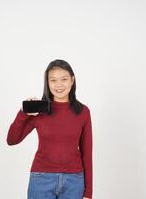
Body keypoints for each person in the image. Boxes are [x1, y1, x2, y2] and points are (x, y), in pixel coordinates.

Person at [6, 59, 93, 199]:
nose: (59, 85)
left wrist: (88, 193)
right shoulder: (39, 110)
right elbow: (11, 140)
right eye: (53, 80)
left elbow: (87, 153)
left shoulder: (83, 112)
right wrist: (23, 113)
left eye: (64, 79)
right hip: (41, 179)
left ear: (72, 80)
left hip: (74, 181)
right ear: (47, 83)